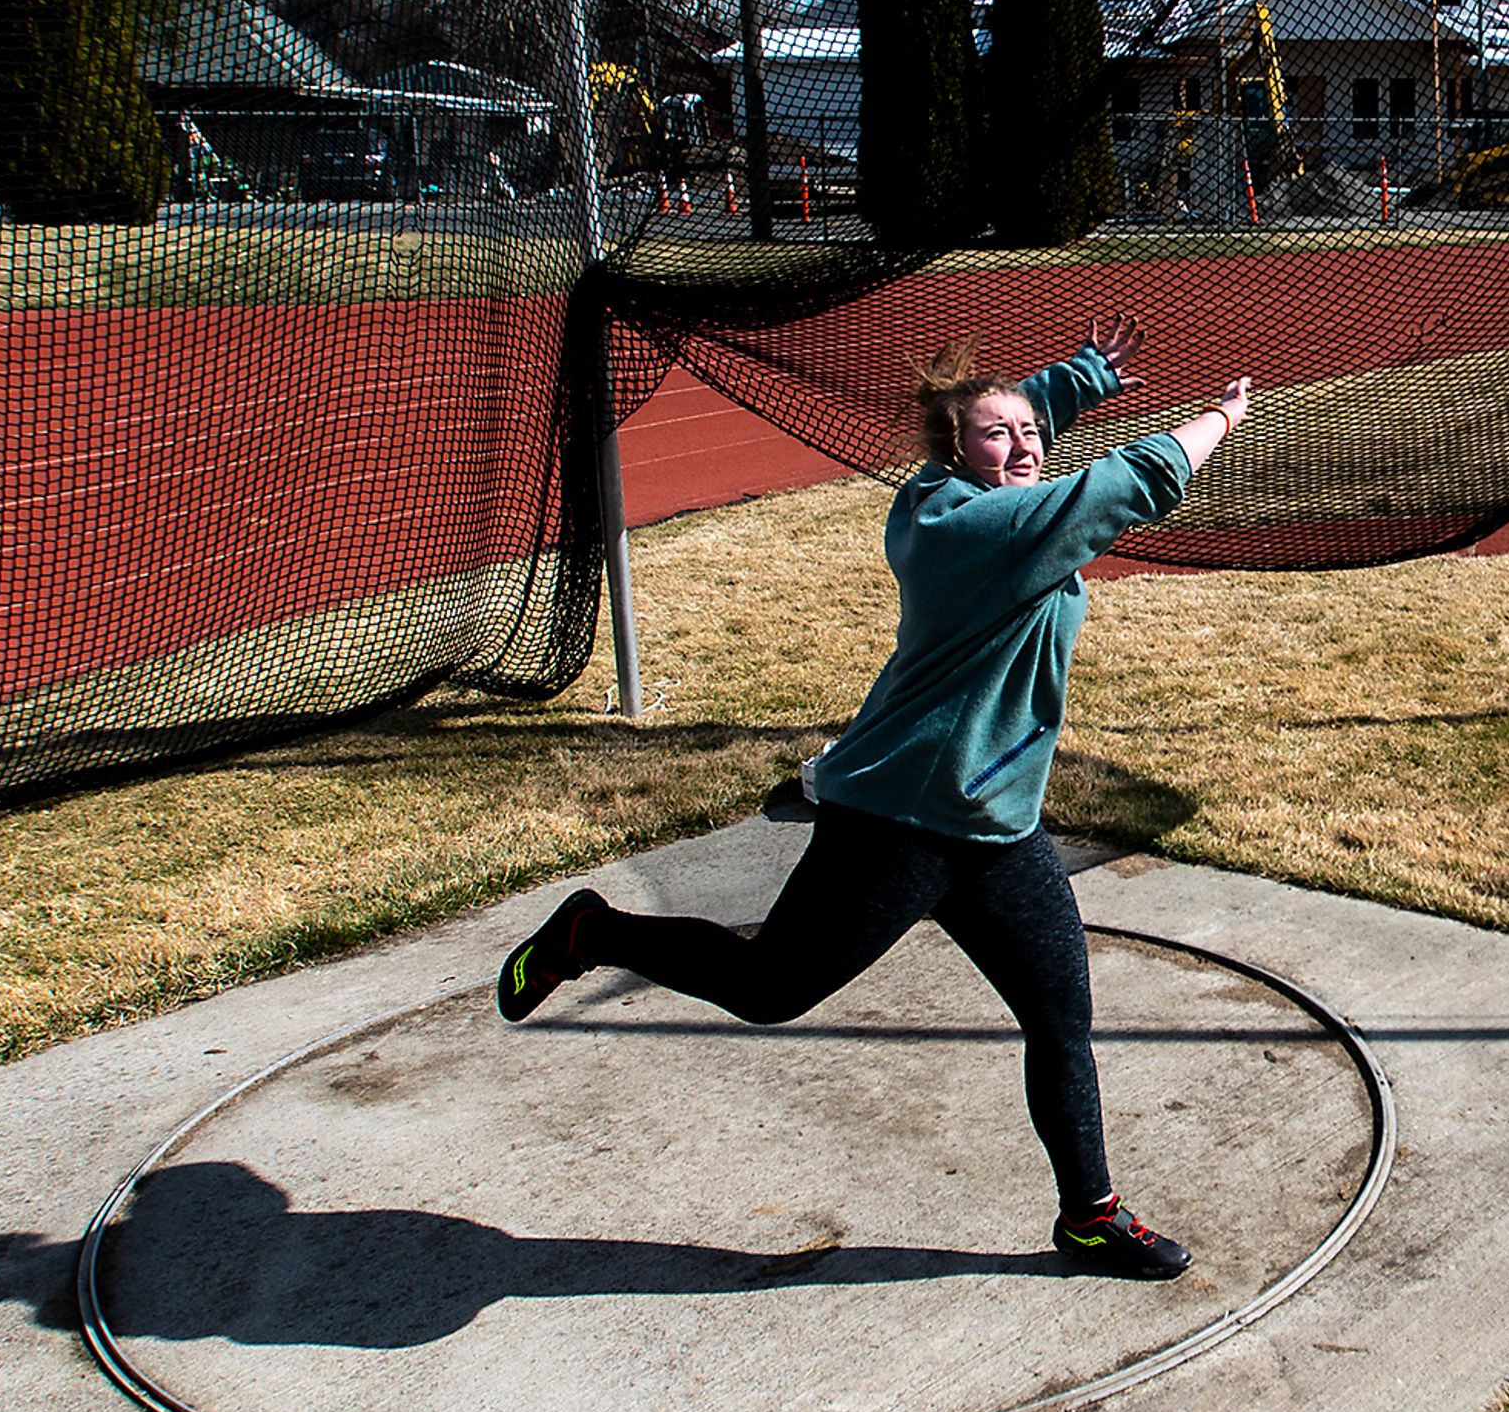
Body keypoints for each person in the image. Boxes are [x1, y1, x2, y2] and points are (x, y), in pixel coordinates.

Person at [495, 319, 1250, 1279]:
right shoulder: (968, 532)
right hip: (899, 823)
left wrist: (1074, 382)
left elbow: (1020, 431)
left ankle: (1089, 1216)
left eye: (1031, 433)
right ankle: (590, 936)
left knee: (1059, 1018)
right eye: (997, 436)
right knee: (771, 990)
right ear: (954, 455)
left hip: (998, 827)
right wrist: (1216, 421)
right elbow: (1124, 488)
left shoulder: (983, 485)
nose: (1021, 447)